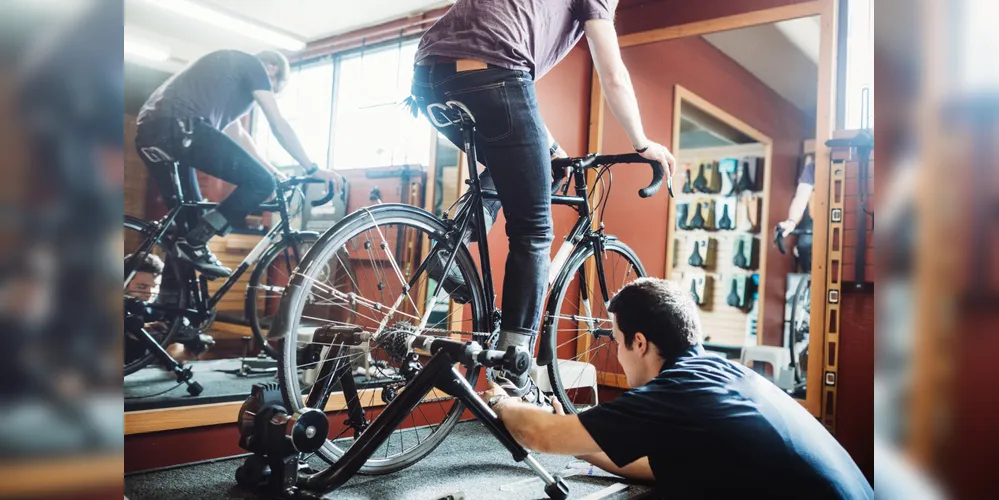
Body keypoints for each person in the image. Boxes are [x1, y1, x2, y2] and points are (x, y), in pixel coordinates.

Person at [409, 0, 676, 404]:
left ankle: (452, 244)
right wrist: (642, 144)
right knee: (533, 230)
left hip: (428, 75)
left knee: (540, 160)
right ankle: (515, 364)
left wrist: (548, 146)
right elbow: (613, 73)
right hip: (495, 71)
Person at [485, 278, 873, 499]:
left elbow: (536, 433)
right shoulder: (720, 374)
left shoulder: (675, 393)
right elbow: (655, 468)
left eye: (617, 342)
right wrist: (583, 439)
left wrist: (502, 397)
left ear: (639, 343)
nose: (617, 354)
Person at [135, 49, 338, 279]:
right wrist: (311, 167)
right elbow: (277, 122)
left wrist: (273, 172)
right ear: (272, 70)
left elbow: (239, 135)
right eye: (276, 88)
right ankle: (196, 240)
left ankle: (175, 306)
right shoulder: (254, 65)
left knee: (185, 231)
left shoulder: (227, 79)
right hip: (181, 125)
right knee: (259, 184)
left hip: (149, 134)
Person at [125, 253, 213, 364]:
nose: (150, 293)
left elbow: (172, 352)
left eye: (155, 286)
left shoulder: (158, 309)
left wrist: (187, 350)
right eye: (141, 287)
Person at [777, 154, 816, 271]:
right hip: (818, 219)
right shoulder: (812, 168)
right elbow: (801, 197)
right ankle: (809, 275)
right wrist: (791, 221)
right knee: (804, 244)